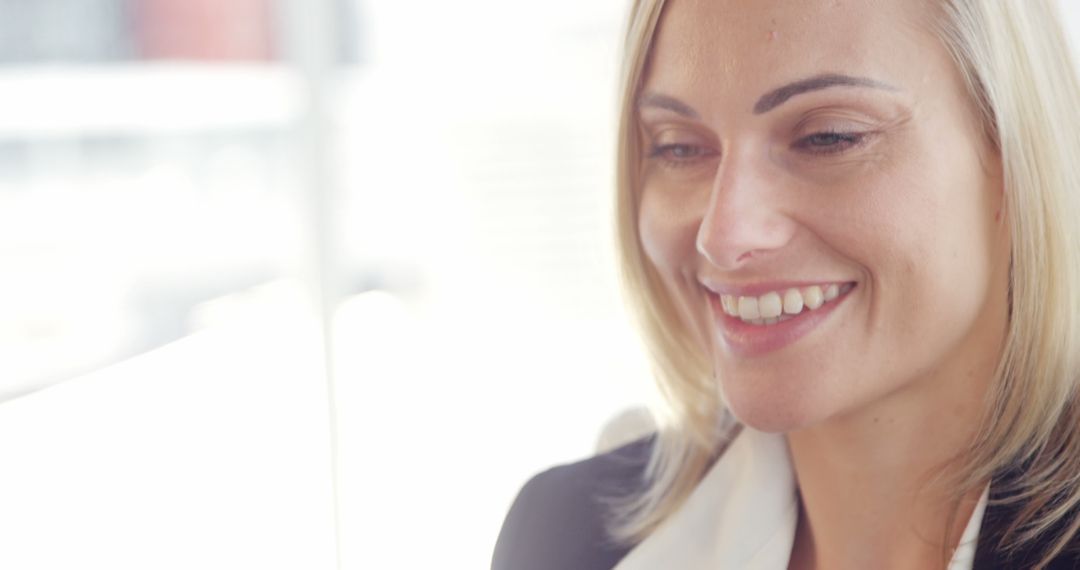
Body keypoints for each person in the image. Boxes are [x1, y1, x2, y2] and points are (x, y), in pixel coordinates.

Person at [492, 0, 1080, 568]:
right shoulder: (563, 537)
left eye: (829, 136)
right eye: (679, 147)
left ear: (1013, 153)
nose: (723, 236)